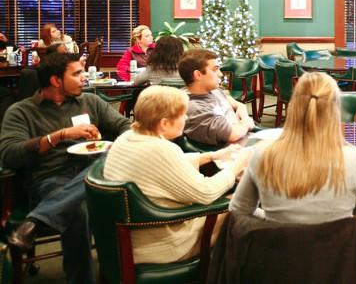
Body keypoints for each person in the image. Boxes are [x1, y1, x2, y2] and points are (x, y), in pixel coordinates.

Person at [0, 52, 131, 284]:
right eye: (77, 73)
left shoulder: (90, 101)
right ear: (55, 80)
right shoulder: (22, 111)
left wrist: (119, 141)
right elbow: (10, 155)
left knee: (109, 160)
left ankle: (36, 221)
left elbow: (124, 126)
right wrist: (58, 136)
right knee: (78, 211)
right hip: (50, 179)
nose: (84, 78)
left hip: (97, 172)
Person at [229, 71, 356, 236]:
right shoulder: (355, 160)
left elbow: (238, 212)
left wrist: (272, 222)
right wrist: (352, 221)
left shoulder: (262, 154)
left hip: (278, 261)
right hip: (341, 262)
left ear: (293, 106)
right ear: (336, 110)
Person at [103, 85, 250, 264]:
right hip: (163, 244)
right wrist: (239, 164)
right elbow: (206, 193)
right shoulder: (161, 149)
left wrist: (212, 156)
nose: (186, 118)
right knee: (244, 201)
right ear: (164, 123)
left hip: (130, 236)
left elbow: (162, 165)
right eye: (182, 115)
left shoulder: (126, 138)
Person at [178, 49, 255, 146]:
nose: (220, 74)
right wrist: (246, 122)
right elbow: (233, 135)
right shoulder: (195, 108)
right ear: (198, 75)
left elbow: (236, 103)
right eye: (215, 69)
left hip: (245, 141)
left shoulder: (213, 91)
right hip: (231, 153)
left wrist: (242, 111)